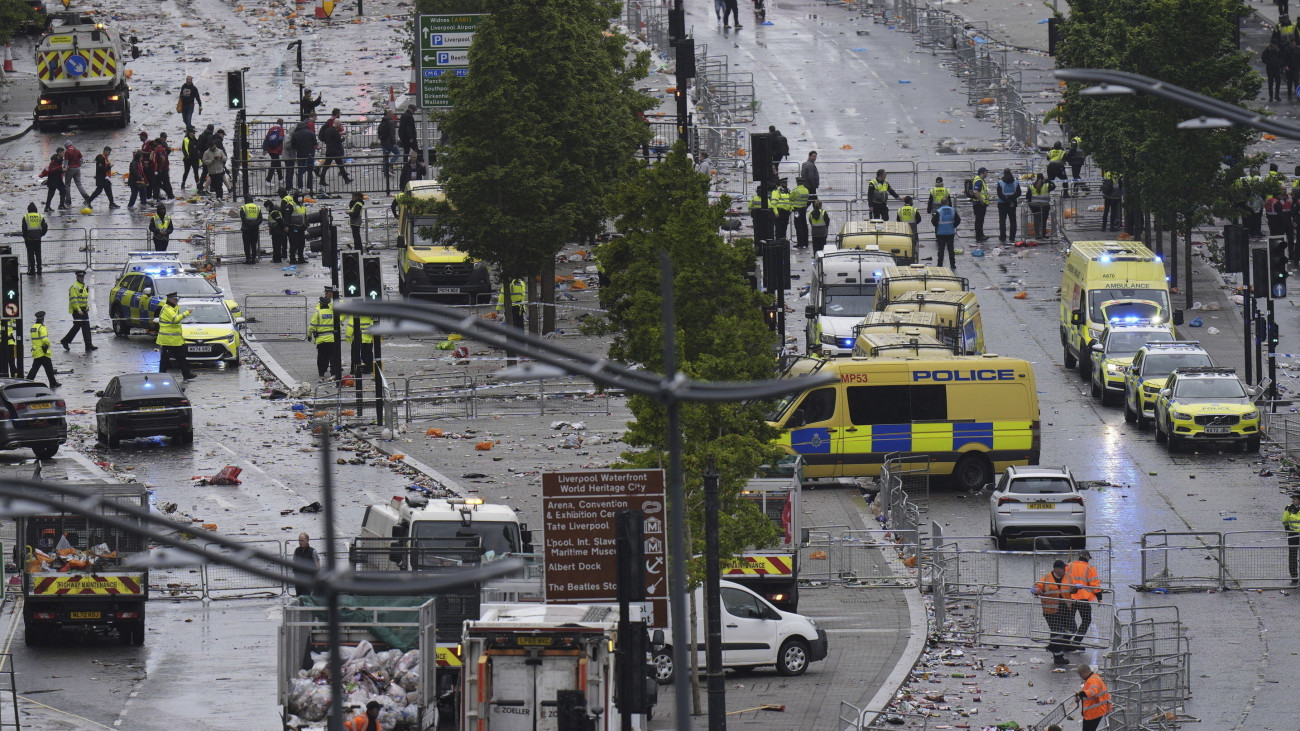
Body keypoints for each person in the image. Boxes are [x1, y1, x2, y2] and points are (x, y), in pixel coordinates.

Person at [1031, 560, 1076, 666]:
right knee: (1057, 632)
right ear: (1056, 569)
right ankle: (1058, 657)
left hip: (1065, 609)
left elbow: (1072, 589)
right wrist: (1036, 590)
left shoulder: (1068, 576)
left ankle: (1053, 645)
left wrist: (1075, 588)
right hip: (1050, 611)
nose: (1065, 570)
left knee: (1072, 628)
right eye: (1062, 568)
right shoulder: (1046, 578)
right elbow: (1039, 587)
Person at [1065, 550, 1102, 649]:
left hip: (1070, 598)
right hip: (1083, 599)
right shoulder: (1090, 568)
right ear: (1086, 557)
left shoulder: (1069, 565)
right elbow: (1095, 584)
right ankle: (1076, 642)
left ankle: (1065, 642)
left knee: (1069, 620)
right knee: (1086, 620)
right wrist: (1099, 598)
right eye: (1089, 558)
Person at [157, 292, 196, 380]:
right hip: (168, 340)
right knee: (165, 359)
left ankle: (186, 374)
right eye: (176, 300)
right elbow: (175, 319)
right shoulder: (167, 309)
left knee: (181, 357)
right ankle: (161, 375)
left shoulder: (172, 308)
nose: (177, 301)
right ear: (171, 300)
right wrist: (187, 312)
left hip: (175, 340)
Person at [60, 270, 96, 352]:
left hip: (84, 310)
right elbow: (74, 300)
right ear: (77, 277)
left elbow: (84, 299)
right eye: (80, 277)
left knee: (86, 327)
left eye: (82, 277)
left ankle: (88, 345)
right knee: (77, 327)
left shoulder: (83, 286)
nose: (82, 278)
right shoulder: (74, 287)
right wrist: (78, 310)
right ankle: (65, 341)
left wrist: (86, 308)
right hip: (77, 311)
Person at [318, 109, 352, 188]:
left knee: (327, 166)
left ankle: (322, 180)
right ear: (337, 124)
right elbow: (339, 140)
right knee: (339, 165)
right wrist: (344, 137)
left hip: (329, 150)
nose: (340, 126)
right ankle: (346, 179)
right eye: (339, 125)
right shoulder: (335, 131)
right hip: (335, 150)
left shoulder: (327, 130)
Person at [309, 297, 341, 381]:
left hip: (321, 339)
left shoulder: (317, 313)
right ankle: (333, 372)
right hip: (331, 338)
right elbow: (338, 325)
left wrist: (309, 335)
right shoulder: (333, 313)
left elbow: (312, 326)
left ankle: (322, 372)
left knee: (322, 356)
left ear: (321, 304)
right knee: (333, 357)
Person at [26, 312, 59, 389]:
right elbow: (44, 339)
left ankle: (28, 381)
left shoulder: (33, 327)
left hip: (36, 351)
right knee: (47, 368)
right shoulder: (42, 327)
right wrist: (49, 344)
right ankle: (52, 383)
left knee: (37, 368)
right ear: (42, 319)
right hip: (43, 351)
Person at [1075, 665, 1112, 731]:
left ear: (1084, 672)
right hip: (1095, 711)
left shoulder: (1092, 680)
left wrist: (1080, 694)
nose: (1081, 677)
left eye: (1081, 674)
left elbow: (1092, 692)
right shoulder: (1094, 677)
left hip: (1093, 712)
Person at [931, 199, 960, 270]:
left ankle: (940, 265)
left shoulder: (939, 211)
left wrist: (938, 226)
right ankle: (952, 265)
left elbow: (933, 221)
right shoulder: (953, 210)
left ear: (941, 203)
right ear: (948, 202)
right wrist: (953, 226)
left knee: (941, 249)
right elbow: (958, 219)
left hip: (941, 233)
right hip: (950, 232)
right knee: (951, 249)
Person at [20, 203, 47, 277]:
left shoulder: (26, 217)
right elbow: (45, 227)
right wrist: (41, 234)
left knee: (31, 255)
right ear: (36, 210)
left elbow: (24, 228)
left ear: (28, 210)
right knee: (38, 254)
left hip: (29, 239)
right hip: (38, 238)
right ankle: (39, 269)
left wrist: (25, 236)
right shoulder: (40, 216)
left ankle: (32, 270)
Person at [290, 120, 318, 192]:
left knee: (300, 171)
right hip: (310, 154)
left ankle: (300, 187)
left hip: (300, 154)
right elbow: (315, 143)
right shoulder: (310, 133)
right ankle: (309, 187)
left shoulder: (295, 134)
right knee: (310, 171)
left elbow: (293, 145)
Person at [996, 168, 1022, 243]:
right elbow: (1018, 193)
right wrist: (1011, 200)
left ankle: (1003, 237)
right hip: (1012, 204)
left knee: (1002, 221)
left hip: (1002, 203)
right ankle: (1012, 237)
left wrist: (1007, 200)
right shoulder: (1015, 182)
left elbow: (999, 194)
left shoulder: (1000, 182)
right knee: (1013, 220)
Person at [1026, 173, 1054, 239]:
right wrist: (1048, 180)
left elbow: (1028, 197)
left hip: (1034, 205)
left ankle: (1037, 234)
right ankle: (1043, 234)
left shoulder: (1031, 186)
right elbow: (1054, 186)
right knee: (1044, 220)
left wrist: (1030, 204)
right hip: (1045, 205)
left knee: (1036, 219)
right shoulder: (1047, 185)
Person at [202, 136, 228, 200]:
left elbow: (225, 159)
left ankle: (220, 197)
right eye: (212, 147)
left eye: (214, 146)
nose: (213, 148)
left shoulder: (220, 151)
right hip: (212, 172)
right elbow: (204, 161)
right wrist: (211, 161)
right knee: (215, 185)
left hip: (220, 171)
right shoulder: (207, 153)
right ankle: (218, 195)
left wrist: (221, 157)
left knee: (219, 185)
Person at [239, 197, 263, 264]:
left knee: (247, 245)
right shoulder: (257, 207)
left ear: (245, 201)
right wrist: (255, 224)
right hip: (255, 229)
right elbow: (260, 218)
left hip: (246, 229)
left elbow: (243, 218)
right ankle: (253, 259)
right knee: (254, 244)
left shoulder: (243, 207)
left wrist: (249, 224)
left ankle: (248, 259)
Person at [262, 118, 286, 184]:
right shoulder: (280, 129)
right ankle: (268, 180)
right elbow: (281, 138)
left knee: (278, 163)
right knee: (274, 164)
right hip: (276, 149)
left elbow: (266, 139)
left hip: (270, 149)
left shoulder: (271, 128)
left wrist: (264, 149)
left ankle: (280, 178)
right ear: (282, 123)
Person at [971, 166, 991, 242]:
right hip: (979, 204)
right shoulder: (979, 181)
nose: (987, 173)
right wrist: (981, 201)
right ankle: (979, 236)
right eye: (986, 172)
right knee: (979, 220)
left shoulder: (979, 180)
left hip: (978, 203)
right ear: (983, 173)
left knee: (979, 220)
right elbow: (976, 192)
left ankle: (980, 235)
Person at [150, 133, 173, 200]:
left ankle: (170, 195)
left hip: (162, 170)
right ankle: (156, 197)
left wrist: (160, 169)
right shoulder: (159, 148)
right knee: (157, 183)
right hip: (161, 169)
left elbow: (162, 159)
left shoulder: (159, 149)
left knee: (165, 183)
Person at [790, 177, 811, 249]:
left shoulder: (796, 191)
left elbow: (790, 198)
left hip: (797, 210)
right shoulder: (806, 190)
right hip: (803, 209)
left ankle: (800, 243)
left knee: (798, 226)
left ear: (797, 183)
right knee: (804, 225)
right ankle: (805, 242)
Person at [1284, 492, 1300, 585]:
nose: (1293, 500)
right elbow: (1285, 521)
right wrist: (1288, 531)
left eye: (1295, 498)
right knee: (1293, 556)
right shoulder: (1289, 508)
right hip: (1293, 535)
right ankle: (1294, 577)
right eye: (1292, 498)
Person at [377, 110, 400, 175]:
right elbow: (392, 134)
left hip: (383, 142)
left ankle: (386, 172)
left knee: (385, 157)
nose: (393, 115)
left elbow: (379, 131)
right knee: (397, 153)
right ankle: (391, 164)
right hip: (390, 142)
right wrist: (394, 143)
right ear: (389, 114)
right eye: (392, 114)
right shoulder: (391, 122)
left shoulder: (382, 122)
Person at [288, 195, 309, 265]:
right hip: (294, 228)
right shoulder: (291, 206)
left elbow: (305, 216)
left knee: (301, 244)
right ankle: (292, 259)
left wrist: (306, 224)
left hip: (301, 228)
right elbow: (287, 217)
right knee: (294, 244)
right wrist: (287, 226)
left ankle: (301, 258)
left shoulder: (302, 206)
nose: (301, 198)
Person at [267, 199, 288, 263]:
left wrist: (284, 227)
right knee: (277, 245)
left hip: (276, 231)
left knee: (276, 245)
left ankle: (277, 259)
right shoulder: (275, 211)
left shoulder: (274, 212)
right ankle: (276, 258)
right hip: (277, 230)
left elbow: (280, 220)